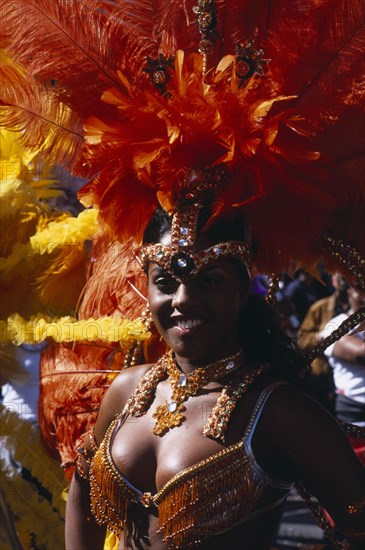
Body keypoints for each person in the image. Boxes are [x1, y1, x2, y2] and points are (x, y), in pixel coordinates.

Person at [65, 204, 365, 550]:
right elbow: (83, 486)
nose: (183, 299)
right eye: (164, 282)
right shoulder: (127, 389)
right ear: (145, 287)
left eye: (209, 281)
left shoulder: (276, 411)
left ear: (242, 289)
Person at [298, 274, 350, 410]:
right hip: (323, 377)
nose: (343, 280)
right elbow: (301, 339)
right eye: (339, 276)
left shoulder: (358, 308)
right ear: (333, 280)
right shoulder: (320, 308)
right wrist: (319, 337)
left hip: (350, 382)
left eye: (347, 276)